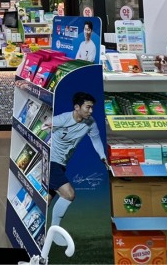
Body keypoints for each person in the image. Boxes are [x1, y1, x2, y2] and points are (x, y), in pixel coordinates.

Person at [44, 92, 107, 242]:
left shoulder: (90, 122)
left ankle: (37, 231)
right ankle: (54, 234)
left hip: (61, 164)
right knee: (69, 194)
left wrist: (103, 156)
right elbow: (44, 125)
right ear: (77, 107)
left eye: (92, 107)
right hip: (50, 160)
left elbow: (96, 140)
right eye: (88, 107)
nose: (91, 111)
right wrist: (47, 127)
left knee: (46, 200)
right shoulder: (63, 119)